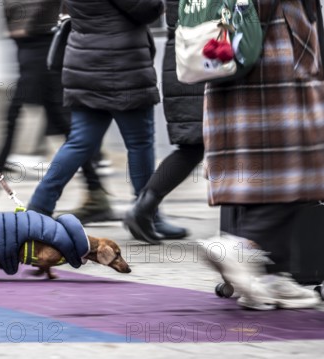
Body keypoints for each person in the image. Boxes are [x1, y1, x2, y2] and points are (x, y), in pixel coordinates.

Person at [0, 0, 116, 224]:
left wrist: (26, 23)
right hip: (31, 43)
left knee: (16, 119)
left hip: (41, 40)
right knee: (61, 123)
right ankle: (96, 193)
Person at [199, 0, 322, 310]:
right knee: (297, 167)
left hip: (233, 53)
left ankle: (270, 273)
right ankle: (242, 247)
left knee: (262, 172)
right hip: (273, 56)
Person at [25, 0, 182, 236]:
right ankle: (147, 215)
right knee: (139, 143)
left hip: (85, 64)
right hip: (122, 67)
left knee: (80, 142)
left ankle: (38, 208)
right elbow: (147, 9)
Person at [123, 0, 205, 244]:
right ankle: (143, 209)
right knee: (195, 145)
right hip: (205, 56)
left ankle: (144, 207)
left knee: (194, 145)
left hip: (185, 57)